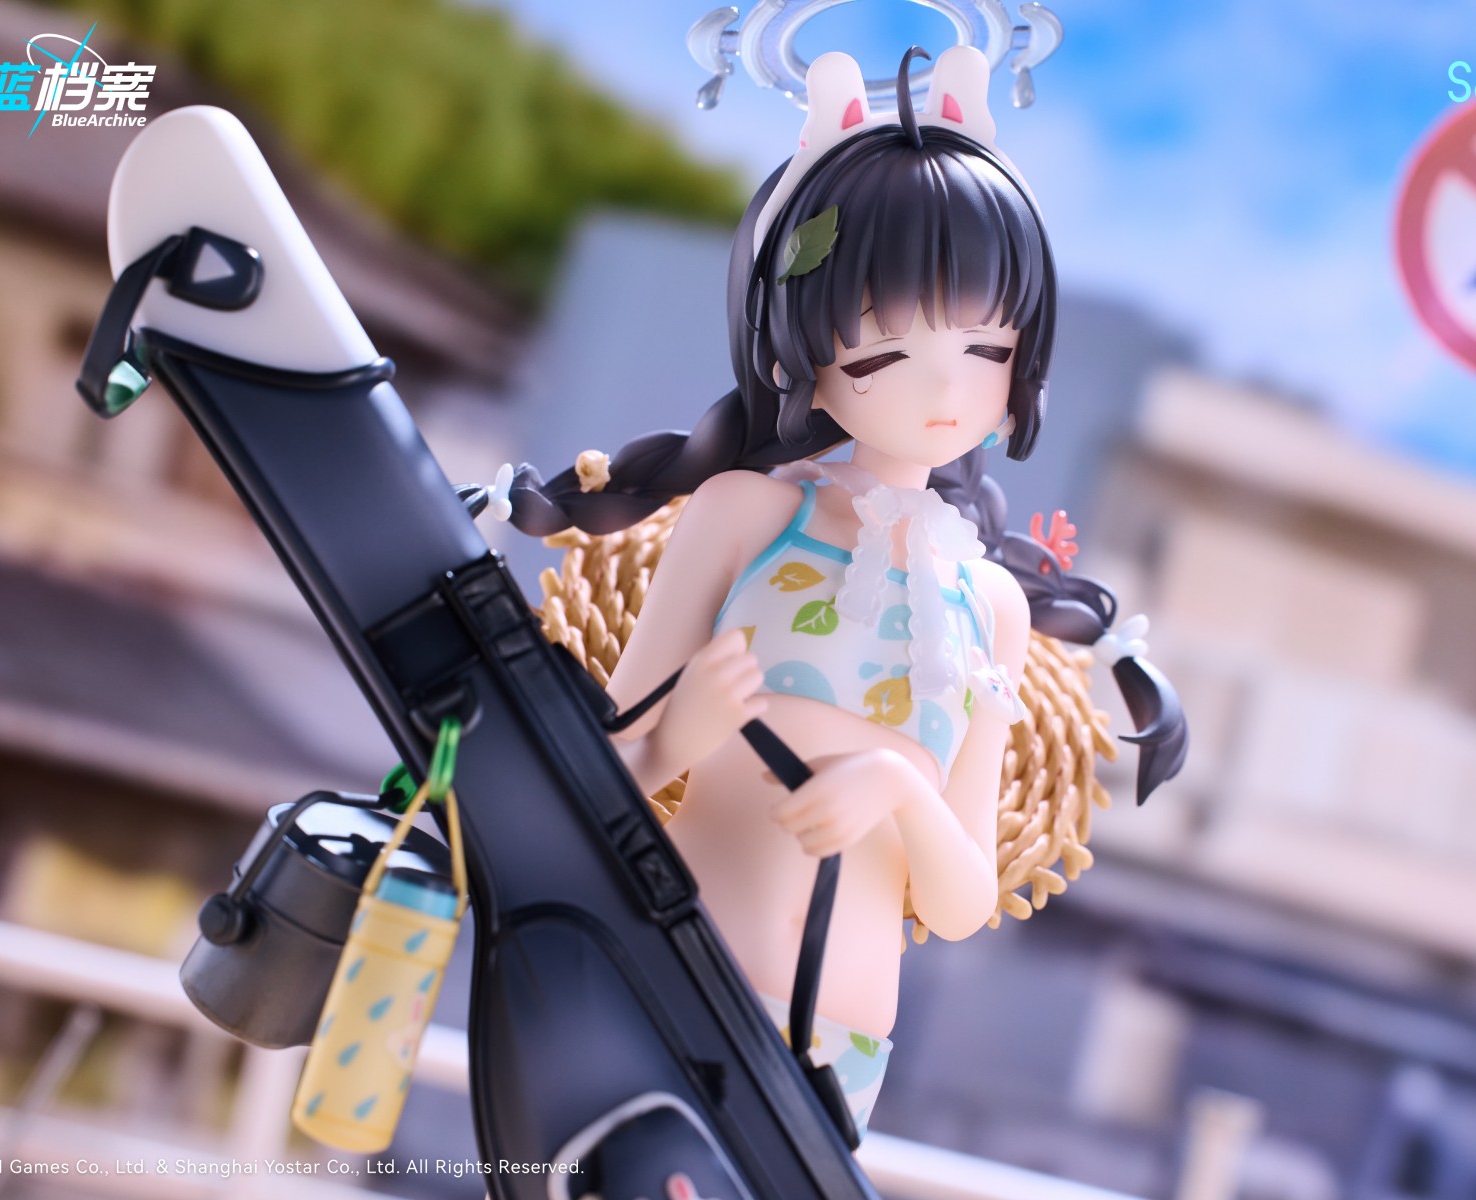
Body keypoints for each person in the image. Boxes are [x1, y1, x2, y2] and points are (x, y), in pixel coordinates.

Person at [504, 46, 1186, 1136]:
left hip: (846, 1041)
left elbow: (959, 906)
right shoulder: (743, 516)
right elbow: (600, 774)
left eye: (985, 348)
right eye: (883, 352)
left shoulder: (991, 608)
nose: (944, 386)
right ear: (803, 350)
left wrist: (902, 787)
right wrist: (682, 736)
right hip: (675, 971)